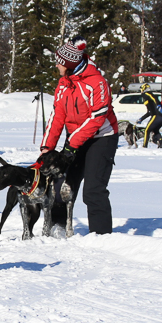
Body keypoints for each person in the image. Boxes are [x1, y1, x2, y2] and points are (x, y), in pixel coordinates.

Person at [40, 36, 119, 235]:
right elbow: (57, 115)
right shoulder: (64, 83)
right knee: (61, 183)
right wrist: (47, 148)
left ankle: (101, 236)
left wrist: (71, 145)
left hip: (102, 138)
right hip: (75, 138)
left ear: (69, 64)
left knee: (93, 190)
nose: (56, 65)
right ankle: (57, 229)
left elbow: (97, 119)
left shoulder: (97, 83)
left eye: (59, 62)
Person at [136, 83, 162, 148]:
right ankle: (161, 144)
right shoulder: (147, 98)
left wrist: (158, 105)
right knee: (155, 130)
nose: (141, 91)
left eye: (141, 89)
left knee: (147, 130)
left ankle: (144, 146)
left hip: (158, 115)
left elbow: (154, 98)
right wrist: (141, 118)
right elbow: (150, 112)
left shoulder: (147, 94)